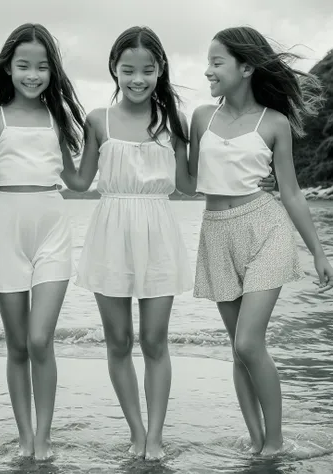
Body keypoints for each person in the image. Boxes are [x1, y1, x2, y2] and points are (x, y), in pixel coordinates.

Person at [61, 26, 275, 460]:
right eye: (127, 70)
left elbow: (189, 182)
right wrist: (49, 145)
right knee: (118, 341)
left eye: (147, 69)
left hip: (158, 230)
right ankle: (137, 433)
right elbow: (81, 181)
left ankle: (156, 437)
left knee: (155, 340)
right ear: (114, 70)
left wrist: (247, 176)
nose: (137, 79)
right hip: (109, 231)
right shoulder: (98, 119)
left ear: (160, 70)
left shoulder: (174, 122)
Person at [189, 26, 333, 456]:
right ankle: (255, 442)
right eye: (208, 62)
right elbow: (187, 175)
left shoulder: (274, 122)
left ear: (246, 67)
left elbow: (290, 192)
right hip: (215, 232)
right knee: (238, 350)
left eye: (217, 62)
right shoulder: (200, 117)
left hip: (264, 226)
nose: (208, 70)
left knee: (249, 342)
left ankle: (275, 442)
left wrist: (319, 251)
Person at [0, 23, 85, 460]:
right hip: (6, 230)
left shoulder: (57, 117)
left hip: (53, 228)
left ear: (52, 71)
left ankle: (45, 436)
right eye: (24, 65)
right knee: (17, 343)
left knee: (41, 339)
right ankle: (26, 438)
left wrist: (107, 143)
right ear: (9, 67)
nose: (33, 74)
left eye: (42, 66)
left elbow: (76, 179)